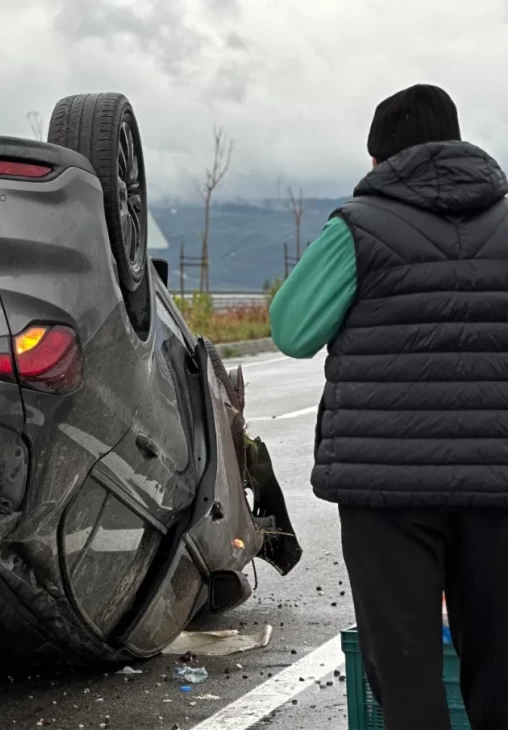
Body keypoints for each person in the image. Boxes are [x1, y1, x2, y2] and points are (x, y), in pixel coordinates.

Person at [269, 84, 508, 730]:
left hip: (388, 498)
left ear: (382, 159)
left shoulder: (358, 229)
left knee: (406, 682)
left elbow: (290, 329)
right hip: (497, 490)